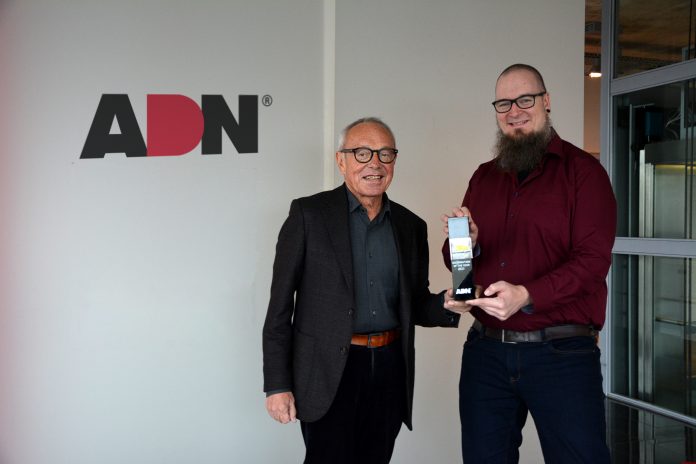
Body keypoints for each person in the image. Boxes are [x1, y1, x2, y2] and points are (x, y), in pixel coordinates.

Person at [442, 64, 616, 463]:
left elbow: (592, 263)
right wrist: (467, 247)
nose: (514, 111)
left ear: (546, 101)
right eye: (503, 103)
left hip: (562, 355)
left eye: (525, 99)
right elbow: (457, 260)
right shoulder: (483, 177)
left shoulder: (585, 174)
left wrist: (527, 295)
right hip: (486, 353)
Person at [263, 117, 461, 464]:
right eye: (362, 153)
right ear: (341, 161)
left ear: (394, 161)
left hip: (389, 369)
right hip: (327, 372)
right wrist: (278, 385)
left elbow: (414, 303)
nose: (375, 163)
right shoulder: (309, 214)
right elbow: (279, 307)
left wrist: (447, 303)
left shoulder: (410, 226)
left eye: (385, 154)